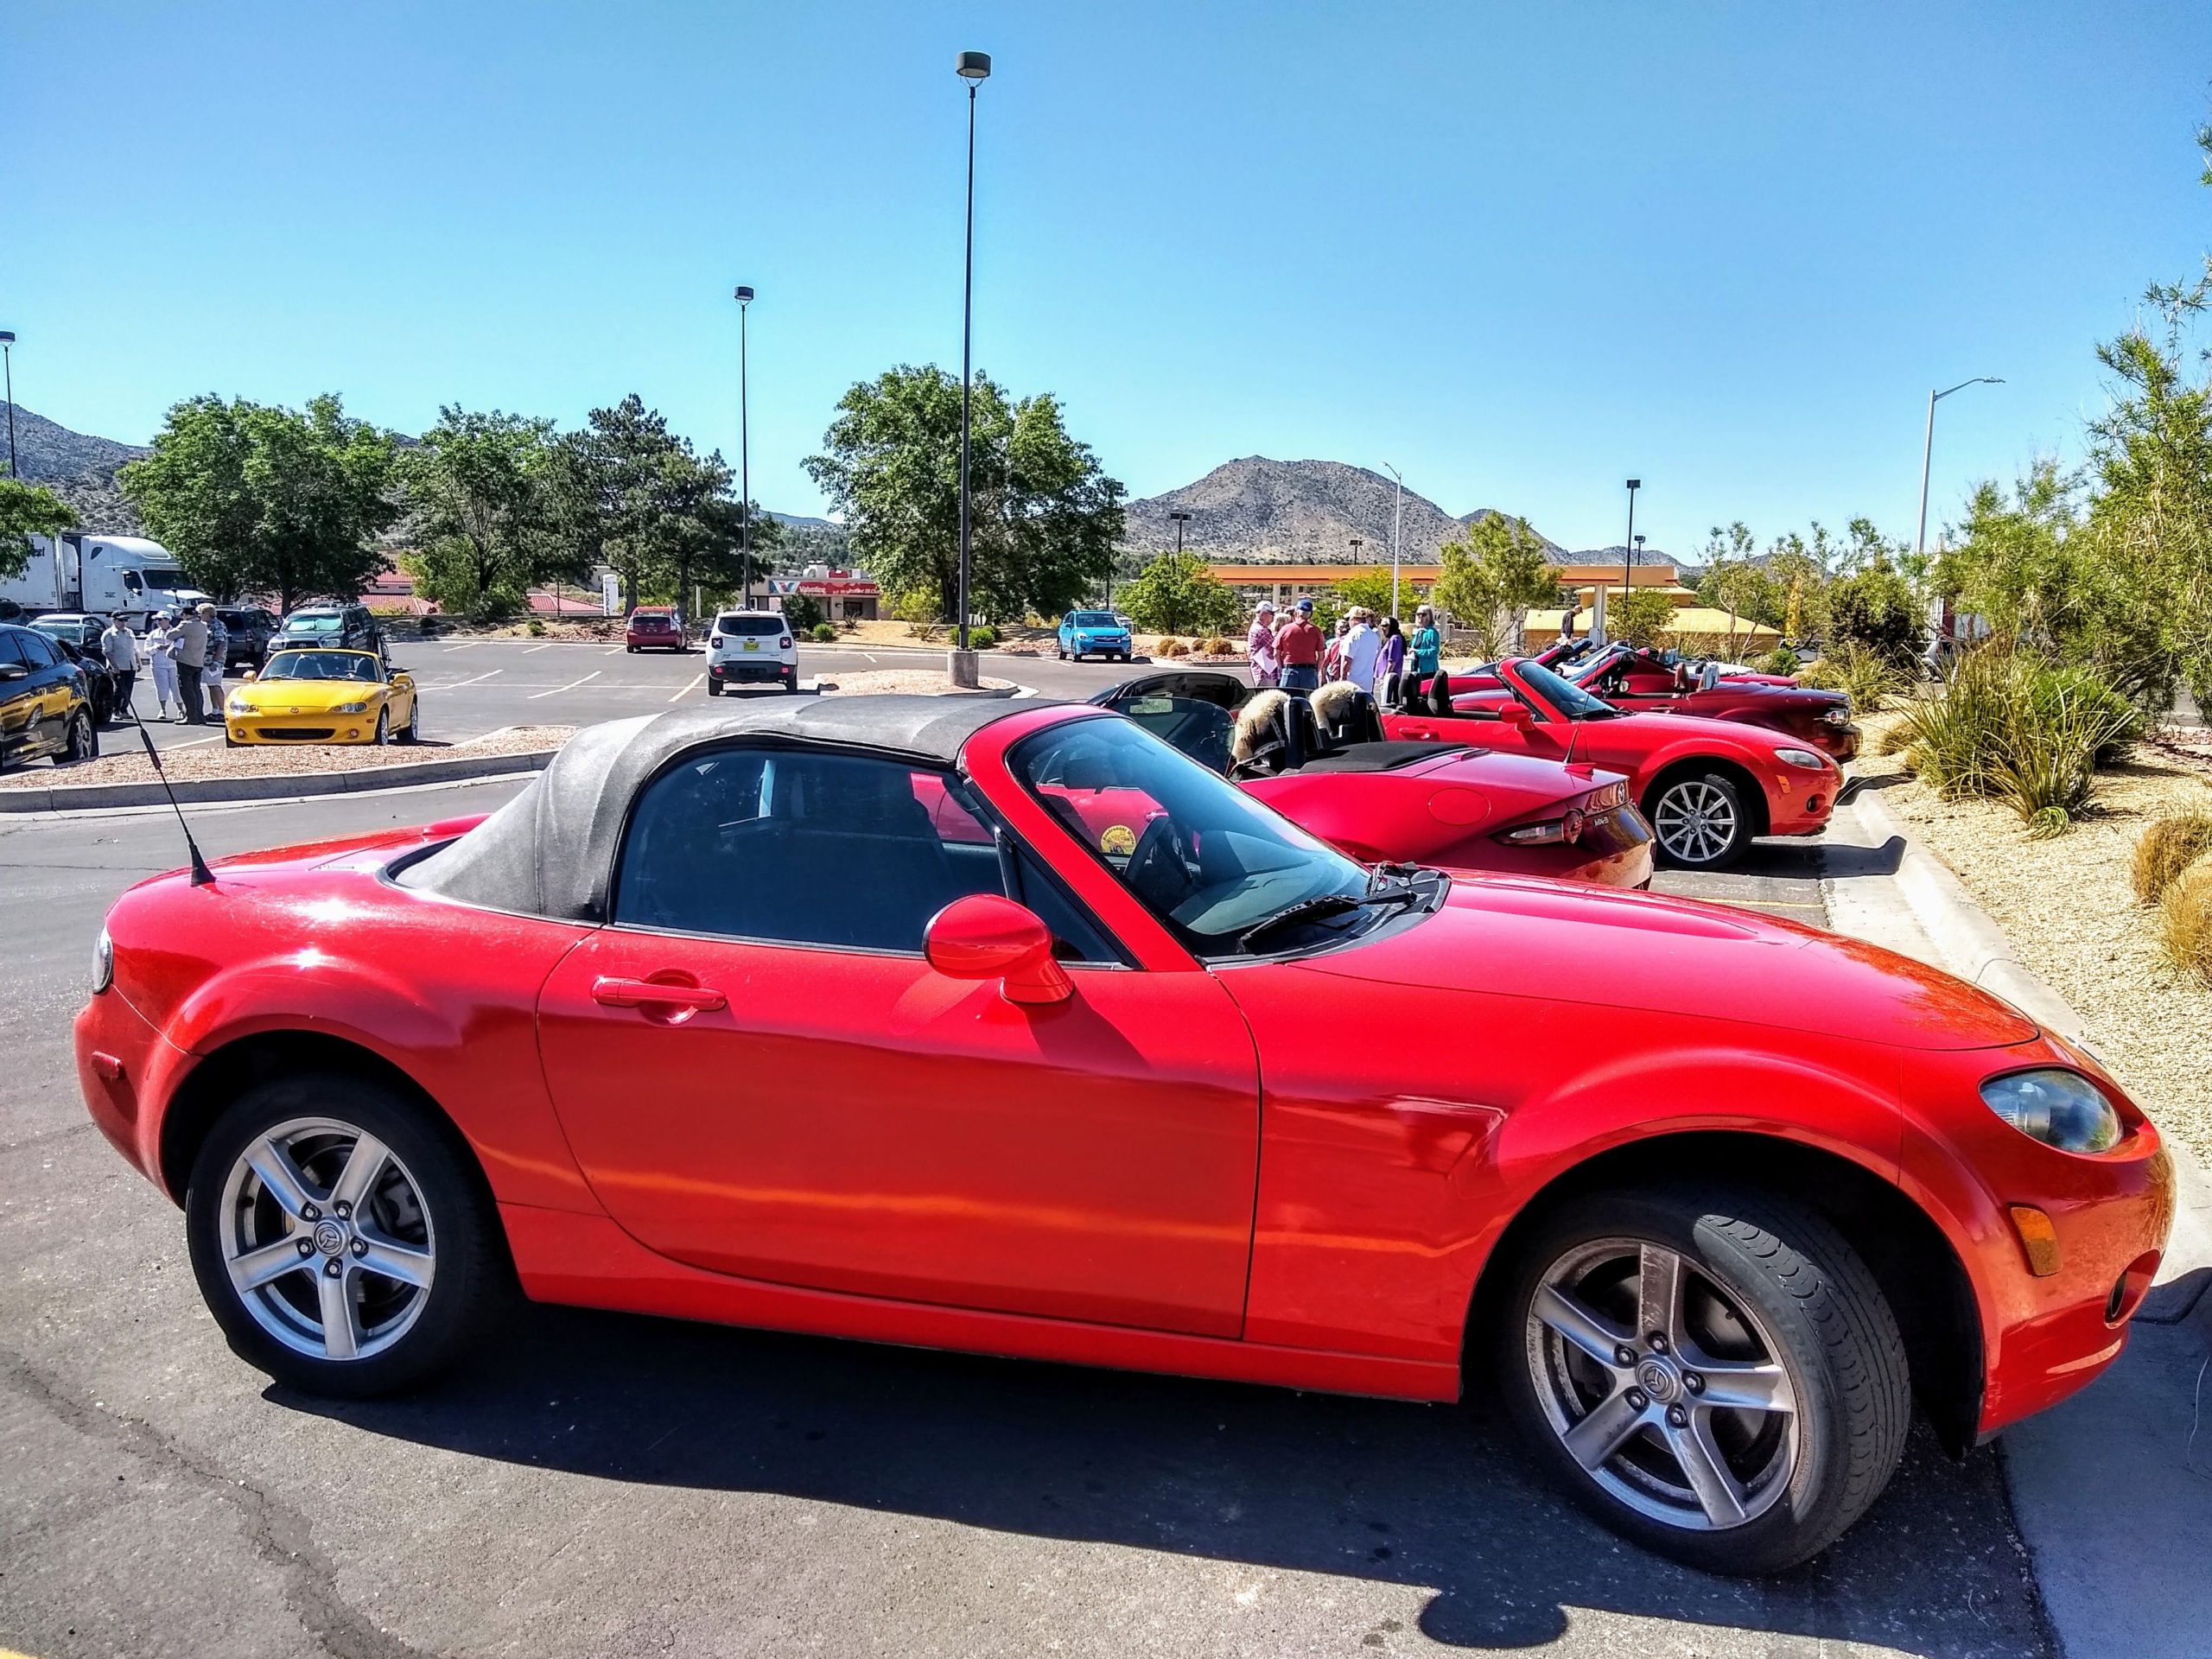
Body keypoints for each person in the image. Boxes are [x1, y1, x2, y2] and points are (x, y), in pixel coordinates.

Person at [1275, 598, 1324, 691]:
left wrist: (1281, 669)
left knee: (1286, 701)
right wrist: (1316, 671)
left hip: (1290, 670)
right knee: (1307, 702)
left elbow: (1276, 653)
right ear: (1310, 615)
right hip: (1309, 671)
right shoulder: (1316, 631)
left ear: (1296, 612)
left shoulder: (1285, 629)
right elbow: (1321, 656)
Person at [175, 607, 209, 724]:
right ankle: (200, 716)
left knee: (186, 690)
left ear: (186, 615)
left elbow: (170, 635)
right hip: (198, 661)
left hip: (186, 661)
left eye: (182, 615)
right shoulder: (203, 625)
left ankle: (191, 717)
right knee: (196, 689)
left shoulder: (186, 625)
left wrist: (181, 627)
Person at [99, 615, 139, 718]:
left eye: (125, 620)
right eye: (120, 620)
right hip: (118, 665)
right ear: (113, 620)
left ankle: (124, 710)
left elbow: (134, 648)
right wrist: (114, 666)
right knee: (119, 689)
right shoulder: (109, 634)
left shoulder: (129, 632)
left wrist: (138, 662)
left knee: (128, 689)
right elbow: (107, 652)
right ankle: (115, 710)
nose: (123, 622)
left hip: (130, 665)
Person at [146, 612, 180, 720]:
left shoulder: (176, 632)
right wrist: (156, 648)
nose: (158, 622)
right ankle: (163, 709)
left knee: (177, 688)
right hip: (158, 664)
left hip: (174, 664)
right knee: (161, 688)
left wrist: (171, 647)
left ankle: (180, 709)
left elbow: (182, 646)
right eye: (157, 620)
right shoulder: (153, 634)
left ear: (168, 620)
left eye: (161, 620)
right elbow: (146, 649)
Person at [198, 604, 228, 708]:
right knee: (210, 686)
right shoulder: (204, 624)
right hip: (205, 661)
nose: (199, 615)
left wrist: (216, 661)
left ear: (207, 613)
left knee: (216, 686)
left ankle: (222, 711)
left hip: (214, 662)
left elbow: (221, 643)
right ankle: (215, 711)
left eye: (200, 613)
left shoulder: (217, 625)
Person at [1343, 608, 1381, 690]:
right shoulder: (1373, 635)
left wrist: (1342, 681)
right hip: (1367, 683)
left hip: (1352, 683)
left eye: (1349, 619)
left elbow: (1347, 661)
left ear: (1355, 619)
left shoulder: (1353, 634)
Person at [1372, 615, 1407, 702]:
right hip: (1386, 677)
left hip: (1389, 678)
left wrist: (1386, 679)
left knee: (1386, 702)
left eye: (1385, 625)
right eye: (1381, 625)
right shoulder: (1392, 638)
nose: (1382, 628)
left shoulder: (1395, 639)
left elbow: (1392, 661)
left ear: (1392, 626)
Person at [1246, 602, 1279, 688]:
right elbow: (1275, 648)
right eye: (1272, 614)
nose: (1273, 617)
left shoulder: (1256, 627)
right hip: (1265, 673)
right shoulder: (1261, 631)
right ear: (1263, 614)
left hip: (1263, 672)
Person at [1409, 604, 1443, 681]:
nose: (1420, 617)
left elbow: (1434, 651)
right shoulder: (1418, 632)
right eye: (1418, 614)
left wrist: (1417, 652)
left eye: (1423, 614)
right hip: (1416, 668)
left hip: (1428, 671)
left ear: (1429, 616)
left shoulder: (1432, 632)